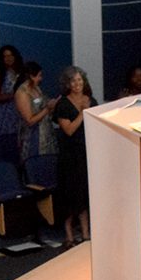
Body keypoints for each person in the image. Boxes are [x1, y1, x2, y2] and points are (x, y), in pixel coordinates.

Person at [53, 66, 94, 247]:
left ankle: (86, 234)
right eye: (73, 81)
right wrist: (83, 113)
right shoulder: (62, 104)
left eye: (80, 80)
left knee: (84, 194)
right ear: (68, 84)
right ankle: (69, 235)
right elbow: (68, 130)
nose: (77, 84)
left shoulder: (90, 100)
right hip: (69, 156)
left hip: (86, 153)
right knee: (70, 195)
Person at [15, 60, 56, 163]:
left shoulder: (36, 88)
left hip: (45, 132)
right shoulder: (22, 93)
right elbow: (29, 120)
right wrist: (47, 109)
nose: (40, 78)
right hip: (32, 136)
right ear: (31, 76)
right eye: (38, 76)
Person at [0, 44, 23, 163]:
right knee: (4, 148)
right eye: (5, 56)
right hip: (4, 115)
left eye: (11, 55)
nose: (8, 58)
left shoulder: (20, 71)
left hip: (18, 114)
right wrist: (13, 96)